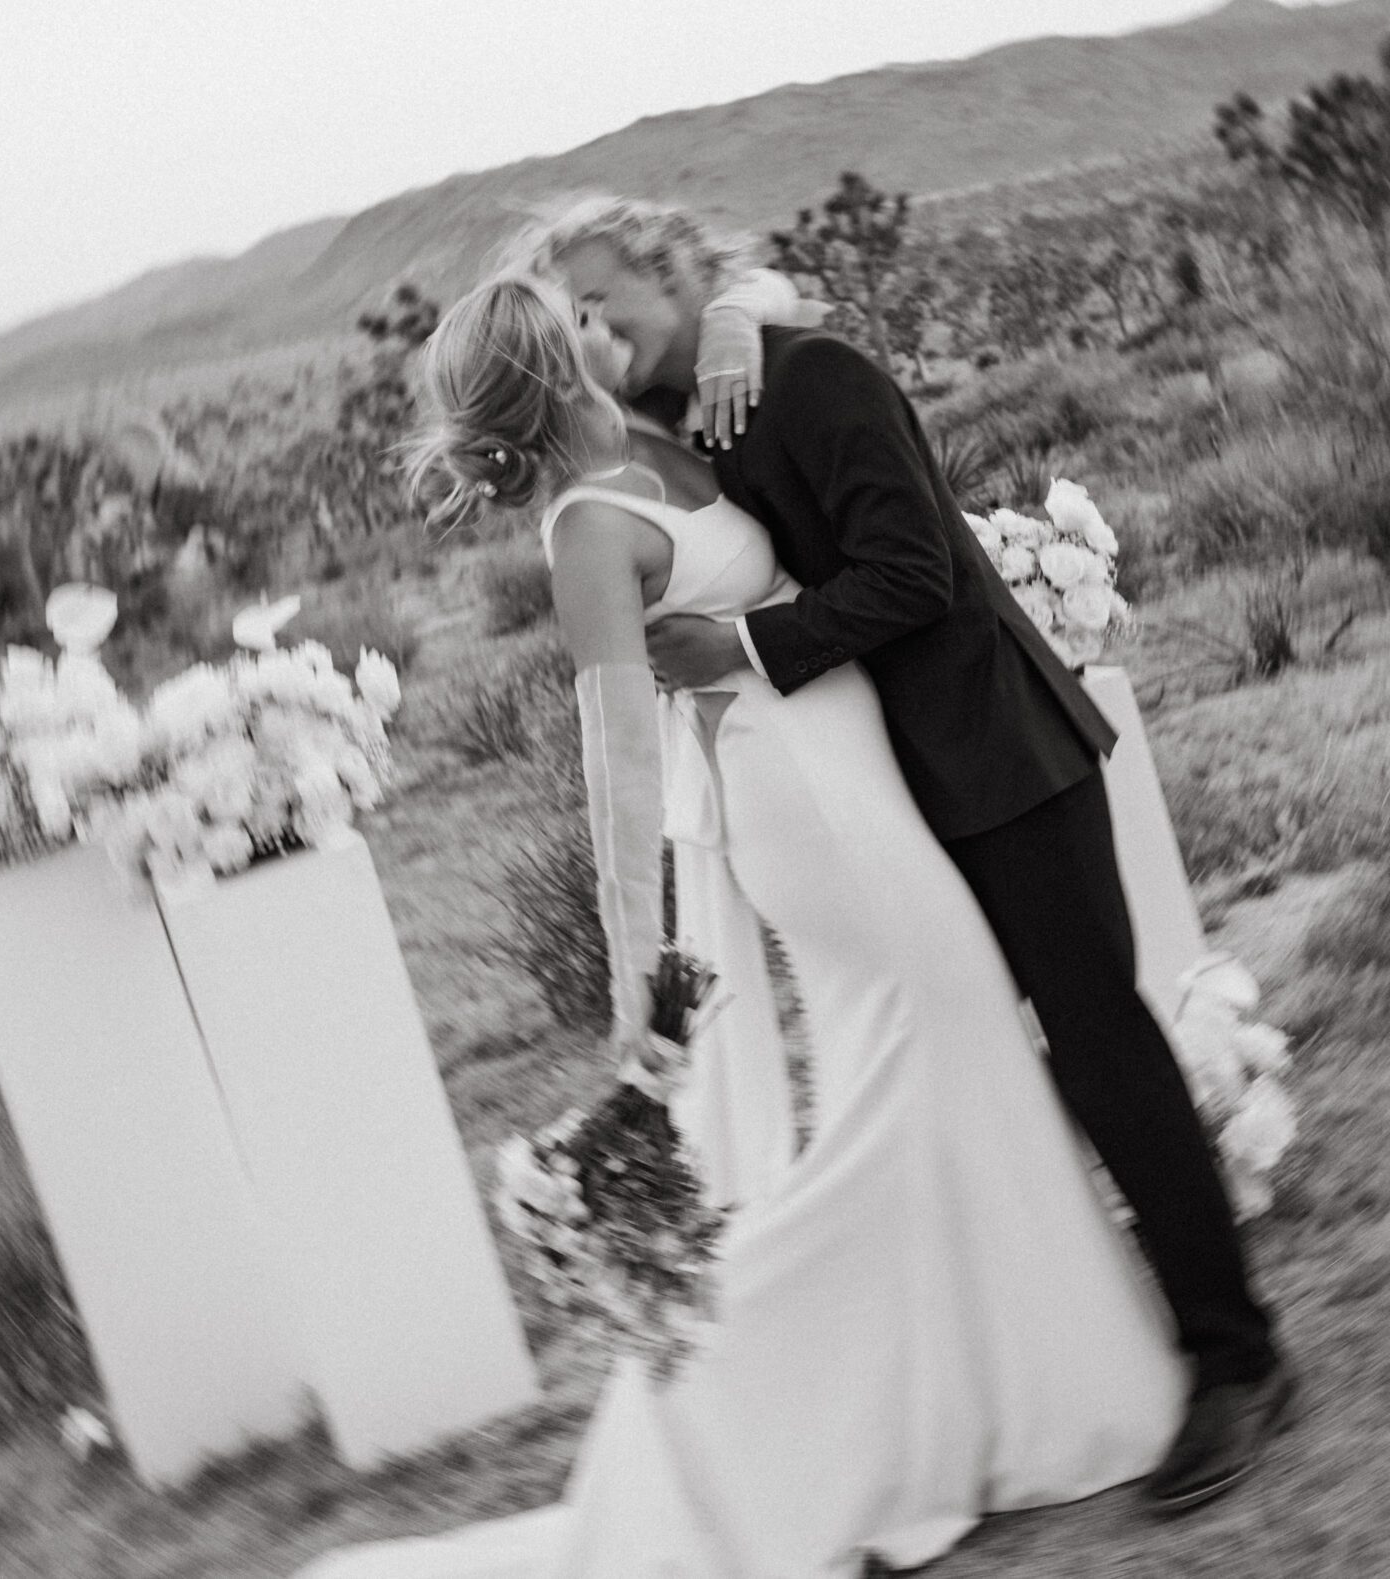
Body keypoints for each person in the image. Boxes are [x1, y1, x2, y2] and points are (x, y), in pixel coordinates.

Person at [297, 268, 1188, 1579]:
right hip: (809, 819)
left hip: (862, 782)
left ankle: (987, 1397)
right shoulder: (588, 530)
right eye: (579, 324)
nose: (609, 329)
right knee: (923, 1069)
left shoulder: (659, 434)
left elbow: (769, 284)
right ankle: (723, 1398)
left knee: (955, 1072)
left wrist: (725, 318)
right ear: (556, 369)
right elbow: (618, 769)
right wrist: (632, 969)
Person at [526, 197, 1291, 1517]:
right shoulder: (685, 423)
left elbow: (919, 574)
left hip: (1000, 760)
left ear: (672, 280)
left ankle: (1238, 1359)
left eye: (610, 302)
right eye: (574, 317)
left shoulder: (813, 379)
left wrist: (747, 651)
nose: (594, 332)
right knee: (973, 1070)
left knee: (1097, 1037)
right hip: (886, 795)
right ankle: (1043, 1344)